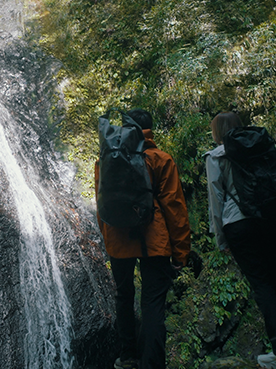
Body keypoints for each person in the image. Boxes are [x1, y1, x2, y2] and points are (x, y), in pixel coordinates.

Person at [95, 109, 191, 369]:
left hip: (118, 240)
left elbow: (101, 206)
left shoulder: (105, 160)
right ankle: (152, 364)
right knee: (152, 303)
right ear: (150, 129)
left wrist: (109, 243)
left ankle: (127, 357)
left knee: (124, 296)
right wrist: (181, 251)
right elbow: (175, 208)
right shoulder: (160, 159)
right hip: (155, 241)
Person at [205, 112, 276, 369]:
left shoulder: (215, 156)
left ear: (217, 131)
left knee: (263, 286)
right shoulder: (262, 146)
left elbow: (216, 200)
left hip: (238, 225)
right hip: (268, 221)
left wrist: (220, 239)